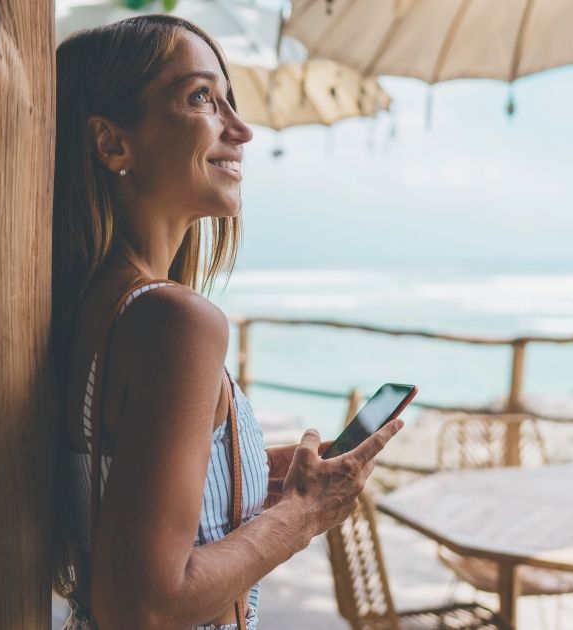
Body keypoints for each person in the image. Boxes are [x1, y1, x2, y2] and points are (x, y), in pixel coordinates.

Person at [51, 15, 404, 630]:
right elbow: (145, 605)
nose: (240, 130)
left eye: (230, 101)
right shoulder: (173, 320)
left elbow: (118, 498)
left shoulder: (92, 304)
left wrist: (244, 472)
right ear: (111, 143)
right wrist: (304, 512)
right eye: (200, 98)